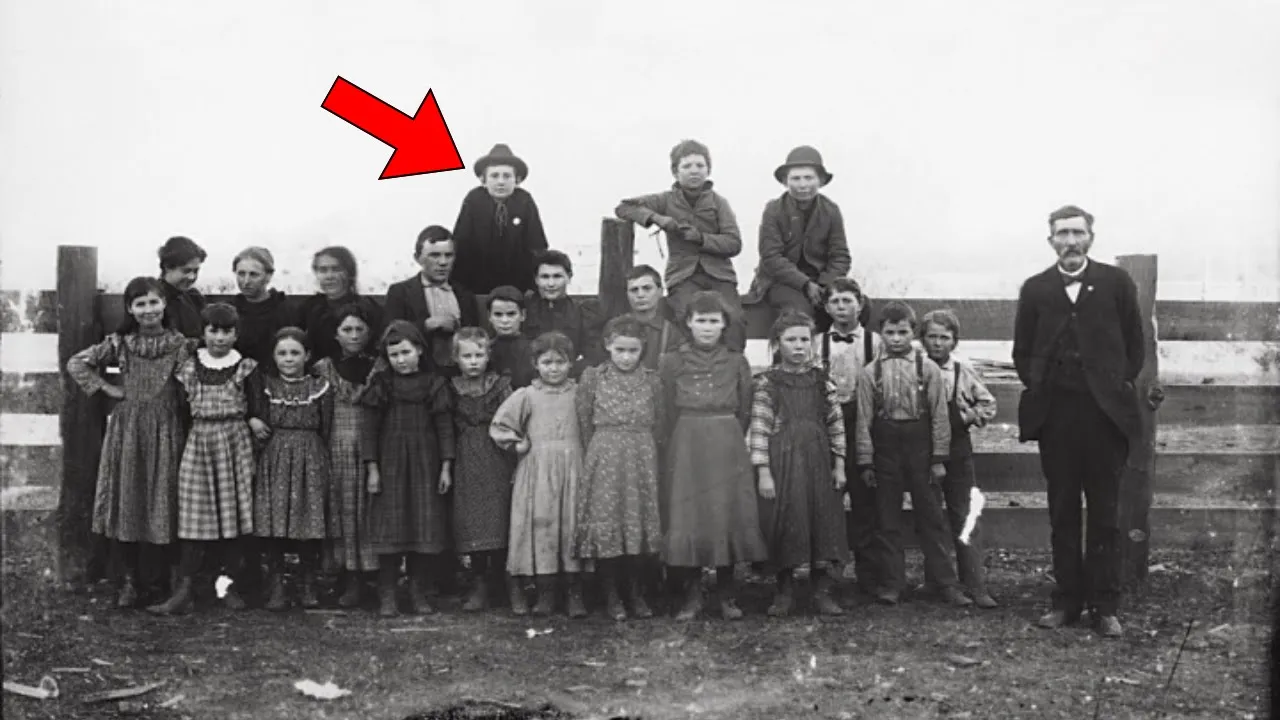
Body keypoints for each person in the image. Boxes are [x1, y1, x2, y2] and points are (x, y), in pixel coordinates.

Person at [1013, 205, 1144, 638]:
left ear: (1091, 238)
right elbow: (1022, 351)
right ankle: (1066, 601)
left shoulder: (1116, 283)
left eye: (1077, 232)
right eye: (1062, 233)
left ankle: (1105, 606)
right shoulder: (1036, 288)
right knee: (1063, 510)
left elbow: (1135, 346)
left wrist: (1112, 387)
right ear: (1050, 240)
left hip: (1105, 418)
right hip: (1057, 419)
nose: (1070, 241)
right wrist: (1044, 386)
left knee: (1105, 513)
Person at [67, 277, 194, 609]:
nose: (148, 310)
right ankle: (128, 582)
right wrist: (108, 388)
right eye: (140, 304)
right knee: (128, 498)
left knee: (162, 500)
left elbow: (192, 383)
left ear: (164, 304)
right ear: (129, 309)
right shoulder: (120, 343)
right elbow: (77, 363)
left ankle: (160, 582)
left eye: (154, 302)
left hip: (166, 430)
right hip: (128, 431)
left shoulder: (180, 345)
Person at [854, 301, 971, 608]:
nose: (896, 339)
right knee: (887, 518)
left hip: (920, 446)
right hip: (886, 448)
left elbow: (940, 416)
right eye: (890, 333)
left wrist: (939, 458)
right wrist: (866, 461)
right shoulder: (870, 372)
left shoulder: (927, 368)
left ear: (912, 333)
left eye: (903, 332)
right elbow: (864, 420)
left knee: (931, 517)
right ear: (881, 334)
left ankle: (946, 583)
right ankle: (893, 583)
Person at [658, 291, 767, 620]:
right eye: (701, 320)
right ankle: (692, 595)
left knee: (726, 512)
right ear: (688, 323)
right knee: (689, 513)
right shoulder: (671, 361)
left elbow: (745, 405)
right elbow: (665, 406)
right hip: (687, 440)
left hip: (726, 440)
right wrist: (683, 434)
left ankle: (726, 594)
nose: (707, 327)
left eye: (713, 321)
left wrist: (729, 430)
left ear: (724, 324)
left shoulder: (736, 360)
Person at [148, 303, 258, 615]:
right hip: (199, 443)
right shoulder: (189, 368)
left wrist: (253, 421)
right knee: (193, 520)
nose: (220, 338)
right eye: (213, 331)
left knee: (234, 518)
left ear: (236, 334)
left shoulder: (246, 367)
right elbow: (181, 411)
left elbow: (255, 406)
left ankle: (227, 588)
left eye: (227, 332)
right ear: (203, 332)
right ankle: (183, 591)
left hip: (235, 443)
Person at [749, 311, 849, 617]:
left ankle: (822, 591)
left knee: (823, 520)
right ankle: (784, 591)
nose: (798, 346)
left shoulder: (821, 381)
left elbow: (836, 424)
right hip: (784, 462)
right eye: (791, 339)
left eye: (804, 339)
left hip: (818, 459)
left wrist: (839, 466)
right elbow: (759, 429)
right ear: (777, 343)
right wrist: (763, 472)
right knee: (787, 520)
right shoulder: (768, 383)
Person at [360, 321, 455, 617]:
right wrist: (372, 469)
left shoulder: (434, 383)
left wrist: (446, 467)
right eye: (394, 355)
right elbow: (369, 430)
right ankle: (387, 593)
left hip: (426, 464)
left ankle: (417, 591)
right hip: (391, 465)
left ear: (419, 351)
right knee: (391, 526)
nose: (400, 360)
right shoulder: (382, 384)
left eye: (406, 352)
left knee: (423, 526)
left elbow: (445, 428)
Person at [490, 331, 587, 618]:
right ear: (535, 364)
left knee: (572, 526)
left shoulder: (581, 393)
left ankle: (574, 592)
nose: (553, 368)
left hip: (574, 469)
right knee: (543, 527)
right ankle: (546, 592)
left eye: (560, 362)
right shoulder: (527, 395)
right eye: (547, 362)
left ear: (571, 363)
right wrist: (517, 444)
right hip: (538, 471)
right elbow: (499, 426)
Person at [615, 139, 747, 351]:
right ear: (675, 172)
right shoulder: (666, 200)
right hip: (683, 276)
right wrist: (657, 219)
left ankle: (733, 366)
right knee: (684, 317)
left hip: (720, 275)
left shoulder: (719, 203)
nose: (694, 171)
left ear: (708, 170)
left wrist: (701, 239)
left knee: (735, 319)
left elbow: (734, 243)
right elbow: (624, 207)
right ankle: (688, 367)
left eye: (700, 165)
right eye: (687, 166)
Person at [574, 316, 664, 621]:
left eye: (633, 350)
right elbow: (584, 420)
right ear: (608, 347)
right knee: (608, 519)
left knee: (636, 520)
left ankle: (635, 592)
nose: (626, 357)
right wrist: (600, 451)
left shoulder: (652, 380)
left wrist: (643, 445)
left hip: (641, 454)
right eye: (620, 350)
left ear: (642, 349)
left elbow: (661, 420)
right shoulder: (594, 377)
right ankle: (611, 593)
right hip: (605, 454)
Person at [252, 327, 334, 612]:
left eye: (295, 353)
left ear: (307, 355)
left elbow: (327, 425)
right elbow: (258, 416)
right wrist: (253, 422)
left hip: (310, 456)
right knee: (275, 521)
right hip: (275, 456)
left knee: (308, 521)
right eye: (282, 353)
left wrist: (318, 455)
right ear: (274, 357)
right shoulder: (267, 386)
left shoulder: (319, 386)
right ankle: (276, 586)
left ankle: (308, 584)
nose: (289, 359)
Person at [921, 309, 999, 609]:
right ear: (922, 339)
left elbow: (988, 403)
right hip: (925, 450)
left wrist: (967, 416)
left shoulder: (961, 371)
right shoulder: (916, 368)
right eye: (932, 337)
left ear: (954, 341)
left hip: (957, 450)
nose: (937, 343)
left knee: (965, 515)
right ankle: (939, 582)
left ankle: (975, 584)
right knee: (931, 515)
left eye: (944, 337)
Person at [312, 303, 380, 609]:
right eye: (347, 330)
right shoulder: (323, 369)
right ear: (336, 334)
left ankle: (371, 576)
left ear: (369, 333)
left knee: (368, 511)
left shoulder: (380, 369)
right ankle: (344, 576)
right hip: (336, 448)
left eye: (359, 329)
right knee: (341, 511)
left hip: (370, 448)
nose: (354, 335)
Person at [817, 278, 881, 595]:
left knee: (865, 501)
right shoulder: (816, 343)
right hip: (828, 423)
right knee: (830, 500)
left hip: (864, 424)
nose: (841, 307)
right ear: (826, 307)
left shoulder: (876, 343)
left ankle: (869, 577)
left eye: (847, 300)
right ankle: (829, 577)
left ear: (860, 303)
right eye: (835, 302)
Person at [445, 328, 516, 612]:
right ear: (456, 358)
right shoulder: (450, 388)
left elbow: (513, 422)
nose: (473, 361)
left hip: (496, 455)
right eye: (467, 356)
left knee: (498, 515)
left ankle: (499, 579)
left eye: (479, 355)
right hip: (465, 458)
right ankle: (479, 581)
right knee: (471, 519)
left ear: (488, 356)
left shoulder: (500, 386)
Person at [744, 146, 851, 328]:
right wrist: (805, 284)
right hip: (781, 282)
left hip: (822, 281)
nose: (802, 185)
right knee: (798, 313)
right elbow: (771, 257)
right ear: (785, 182)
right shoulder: (774, 210)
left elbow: (840, 256)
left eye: (809, 178)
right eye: (796, 178)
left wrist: (826, 284)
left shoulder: (831, 211)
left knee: (856, 308)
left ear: (820, 181)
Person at [451, 144, 549, 295]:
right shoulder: (474, 200)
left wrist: (532, 287)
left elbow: (537, 246)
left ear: (517, 180)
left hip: (518, 285)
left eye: (507, 176)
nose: (501, 182)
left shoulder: (524, 201)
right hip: (477, 283)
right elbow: (461, 244)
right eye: (494, 176)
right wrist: (461, 288)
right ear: (483, 180)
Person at [383, 225, 481, 375]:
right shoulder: (400, 292)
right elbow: (389, 336)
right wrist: (426, 325)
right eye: (434, 255)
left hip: (459, 374)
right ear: (417, 258)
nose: (443, 262)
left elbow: (476, 337)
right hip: (418, 374)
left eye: (449, 255)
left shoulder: (464, 294)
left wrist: (458, 327)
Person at [297, 246, 384, 366]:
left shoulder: (368, 308)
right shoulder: (309, 308)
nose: (329, 276)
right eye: (323, 270)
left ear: (349, 273)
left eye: (336, 269)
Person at [523, 250, 594, 372]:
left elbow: (591, 355)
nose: (551, 284)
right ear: (536, 279)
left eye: (557, 276)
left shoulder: (582, 312)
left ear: (569, 277)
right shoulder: (524, 309)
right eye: (545, 277)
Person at [231, 247, 293, 367]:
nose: (246, 281)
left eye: (253, 275)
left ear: (268, 276)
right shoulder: (230, 309)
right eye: (241, 274)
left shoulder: (285, 310)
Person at [619, 265, 684, 370]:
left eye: (647, 288)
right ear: (627, 294)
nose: (640, 295)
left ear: (660, 292)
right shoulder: (617, 328)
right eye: (634, 290)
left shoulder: (672, 333)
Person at [157, 236, 208, 339]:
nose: (192, 277)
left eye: (196, 271)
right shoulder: (152, 300)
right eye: (186, 271)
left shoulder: (194, 298)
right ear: (167, 267)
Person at [486, 285, 536, 389]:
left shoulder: (535, 350)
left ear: (523, 315)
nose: (505, 321)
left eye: (511, 314)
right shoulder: (484, 350)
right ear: (489, 316)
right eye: (498, 314)